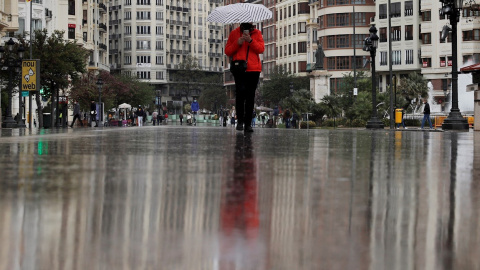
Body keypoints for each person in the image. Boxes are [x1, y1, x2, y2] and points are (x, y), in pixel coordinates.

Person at [225, 22, 265, 132]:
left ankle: (248, 124)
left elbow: (261, 49)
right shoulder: (234, 33)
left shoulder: (257, 33)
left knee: (250, 97)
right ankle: (240, 122)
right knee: (240, 94)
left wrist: (250, 41)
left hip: (253, 69)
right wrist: (237, 43)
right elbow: (227, 51)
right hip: (240, 68)